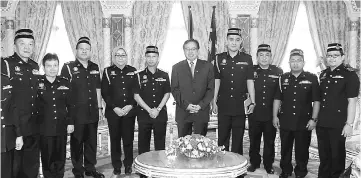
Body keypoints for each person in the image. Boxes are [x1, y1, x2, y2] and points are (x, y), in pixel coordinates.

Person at [60, 37, 104, 178]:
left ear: (90, 51)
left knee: (91, 143)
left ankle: (90, 168)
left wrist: (100, 108)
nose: (84, 51)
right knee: (77, 143)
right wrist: (68, 115)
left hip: (92, 112)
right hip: (76, 114)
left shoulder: (95, 67)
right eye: (81, 49)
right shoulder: (68, 67)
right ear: (76, 50)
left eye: (87, 49)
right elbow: (64, 91)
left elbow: (98, 89)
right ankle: (78, 170)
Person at [273, 49, 320, 178]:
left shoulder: (312, 78)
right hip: (286, 120)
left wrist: (314, 119)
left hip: (304, 121)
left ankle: (301, 171)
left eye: (298, 61)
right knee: (285, 148)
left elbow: (316, 100)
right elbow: (277, 98)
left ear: (303, 62)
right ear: (289, 62)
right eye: (293, 61)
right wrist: (274, 116)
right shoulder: (283, 78)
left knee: (302, 149)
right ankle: (286, 170)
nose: (295, 63)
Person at [316, 43, 360, 178]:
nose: (332, 58)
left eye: (335, 56)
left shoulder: (350, 75)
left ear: (342, 57)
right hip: (322, 122)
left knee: (337, 157)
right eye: (329, 56)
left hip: (338, 123)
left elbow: (352, 101)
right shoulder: (323, 75)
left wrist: (349, 124)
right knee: (324, 156)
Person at [1, 28, 40, 178]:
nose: (27, 47)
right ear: (15, 45)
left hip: (33, 124)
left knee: (31, 164)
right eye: (22, 43)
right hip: (15, 125)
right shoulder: (6, 64)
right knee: (15, 166)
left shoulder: (35, 66)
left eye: (31, 44)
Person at [212, 28, 255, 155]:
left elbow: (250, 81)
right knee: (223, 137)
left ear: (241, 42)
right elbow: (217, 80)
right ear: (226, 41)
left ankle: (237, 168)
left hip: (239, 105)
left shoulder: (247, 59)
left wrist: (253, 101)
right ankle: (222, 165)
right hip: (224, 103)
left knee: (238, 137)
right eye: (231, 40)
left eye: (237, 40)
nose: (234, 43)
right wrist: (214, 101)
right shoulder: (219, 58)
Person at [101, 46, 138, 176]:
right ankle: (116, 165)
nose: (121, 57)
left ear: (127, 57)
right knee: (115, 140)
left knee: (128, 140)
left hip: (129, 112)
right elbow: (105, 93)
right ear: (113, 57)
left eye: (123, 55)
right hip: (113, 113)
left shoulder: (133, 71)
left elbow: (137, 92)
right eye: (118, 55)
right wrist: (115, 108)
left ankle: (128, 164)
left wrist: (130, 105)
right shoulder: (107, 71)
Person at [36, 53, 74, 178]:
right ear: (43, 67)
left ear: (58, 66)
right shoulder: (37, 83)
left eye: (55, 65)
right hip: (44, 128)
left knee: (60, 158)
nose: (52, 68)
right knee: (47, 159)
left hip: (61, 127)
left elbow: (70, 104)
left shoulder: (64, 82)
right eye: (49, 66)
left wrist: (71, 122)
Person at [247, 44, 282, 174]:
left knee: (269, 141)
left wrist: (276, 115)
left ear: (271, 57)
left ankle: (268, 164)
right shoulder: (251, 70)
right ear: (257, 57)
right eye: (261, 55)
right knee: (254, 140)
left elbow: (279, 94)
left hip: (270, 113)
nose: (264, 58)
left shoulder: (278, 72)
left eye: (267, 55)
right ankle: (254, 163)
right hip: (255, 113)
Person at [171, 39, 215, 137]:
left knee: (201, 145)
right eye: (187, 49)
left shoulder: (208, 66)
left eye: (193, 49)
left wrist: (200, 105)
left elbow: (211, 89)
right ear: (184, 50)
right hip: (183, 112)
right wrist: (186, 105)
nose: (190, 52)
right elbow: (175, 90)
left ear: (198, 50)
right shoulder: (176, 68)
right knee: (183, 146)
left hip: (201, 112)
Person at [134, 46, 171, 154]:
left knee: (160, 146)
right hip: (144, 115)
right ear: (145, 58)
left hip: (160, 114)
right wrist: (149, 110)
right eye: (149, 56)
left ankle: (159, 168)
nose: (151, 59)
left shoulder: (164, 74)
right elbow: (136, 96)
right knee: (143, 145)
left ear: (158, 58)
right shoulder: (138, 75)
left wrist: (158, 109)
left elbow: (167, 93)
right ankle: (143, 170)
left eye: (154, 56)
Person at [1, 67, 24, 178]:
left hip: (5, 138)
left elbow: (13, 109)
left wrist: (18, 134)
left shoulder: (5, 80)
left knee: (6, 172)